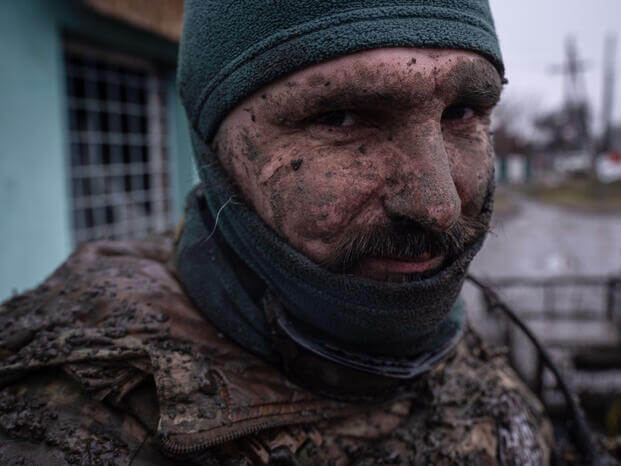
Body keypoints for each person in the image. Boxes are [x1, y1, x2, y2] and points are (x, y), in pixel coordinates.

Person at [0, 1, 555, 464]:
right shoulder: (65, 422)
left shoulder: (478, 354)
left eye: (462, 111)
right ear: (214, 148)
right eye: (340, 118)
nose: (438, 206)